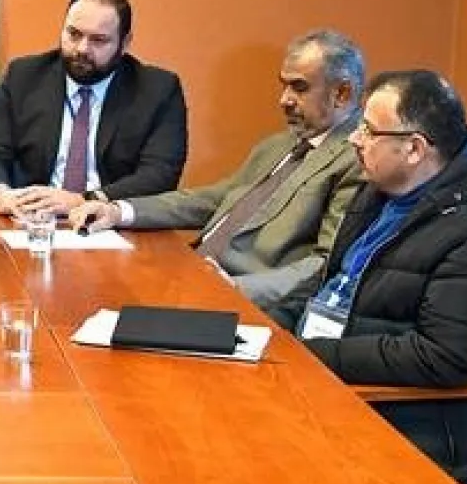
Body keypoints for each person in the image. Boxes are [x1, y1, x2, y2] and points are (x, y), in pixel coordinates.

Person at [270, 70, 467, 484]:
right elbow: (334, 284)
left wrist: (308, 356)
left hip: (407, 421)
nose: (353, 139)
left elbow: (448, 356)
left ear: (415, 148)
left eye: (367, 129)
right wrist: (271, 327)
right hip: (327, 376)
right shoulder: (386, 184)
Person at [69, 30, 365, 310]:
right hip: (193, 273)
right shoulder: (280, 144)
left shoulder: (358, 159)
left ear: (341, 93)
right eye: (284, 85)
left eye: (299, 87)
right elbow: (215, 199)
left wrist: (234, 288)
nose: (283, 100)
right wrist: (118, 211)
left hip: (252, 303)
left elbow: (324, 264)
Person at [0, 0, 187, 216]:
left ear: (125, 43)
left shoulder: (157, 90)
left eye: (98, 40)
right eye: (74, 34)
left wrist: (83, 200)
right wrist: (1, 195)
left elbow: (160, 173)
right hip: (30, 219)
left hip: (109, 223)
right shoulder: (24, 76)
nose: (82, 49)